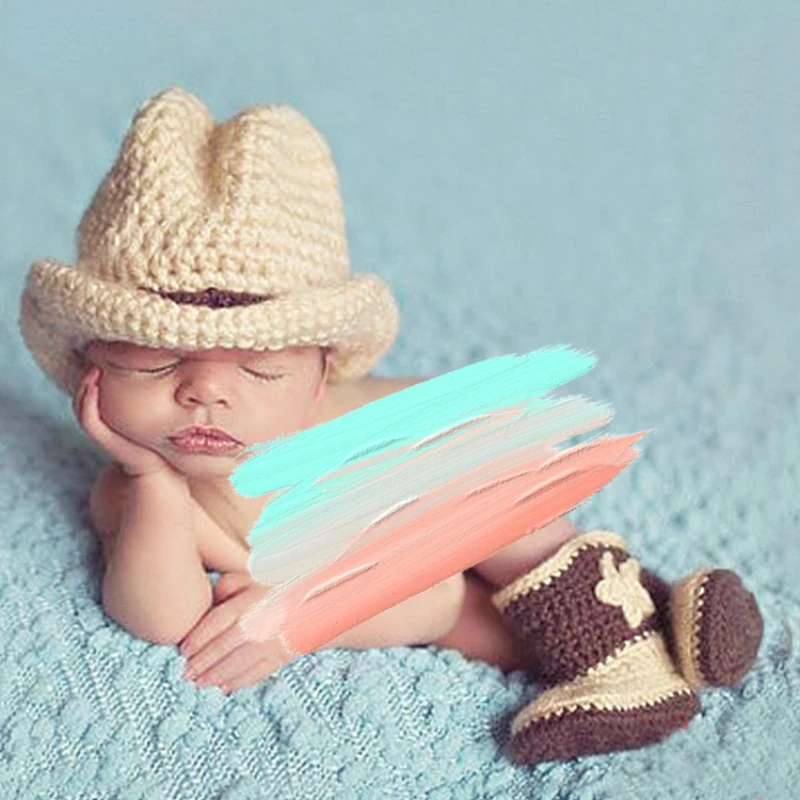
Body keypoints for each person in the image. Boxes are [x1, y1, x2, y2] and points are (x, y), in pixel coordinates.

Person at [18, 86, 763, 765]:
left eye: (261, 371)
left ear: (320, 374)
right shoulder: (136, 491)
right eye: (153, 365)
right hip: (406, 585)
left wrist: (302, 616)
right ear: (90, 368)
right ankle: (660, 629)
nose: (205, 394)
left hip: (446, 498)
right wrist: (151, 480)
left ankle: (616, 646)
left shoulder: (368, 424)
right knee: (471, 625)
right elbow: (162, 618)